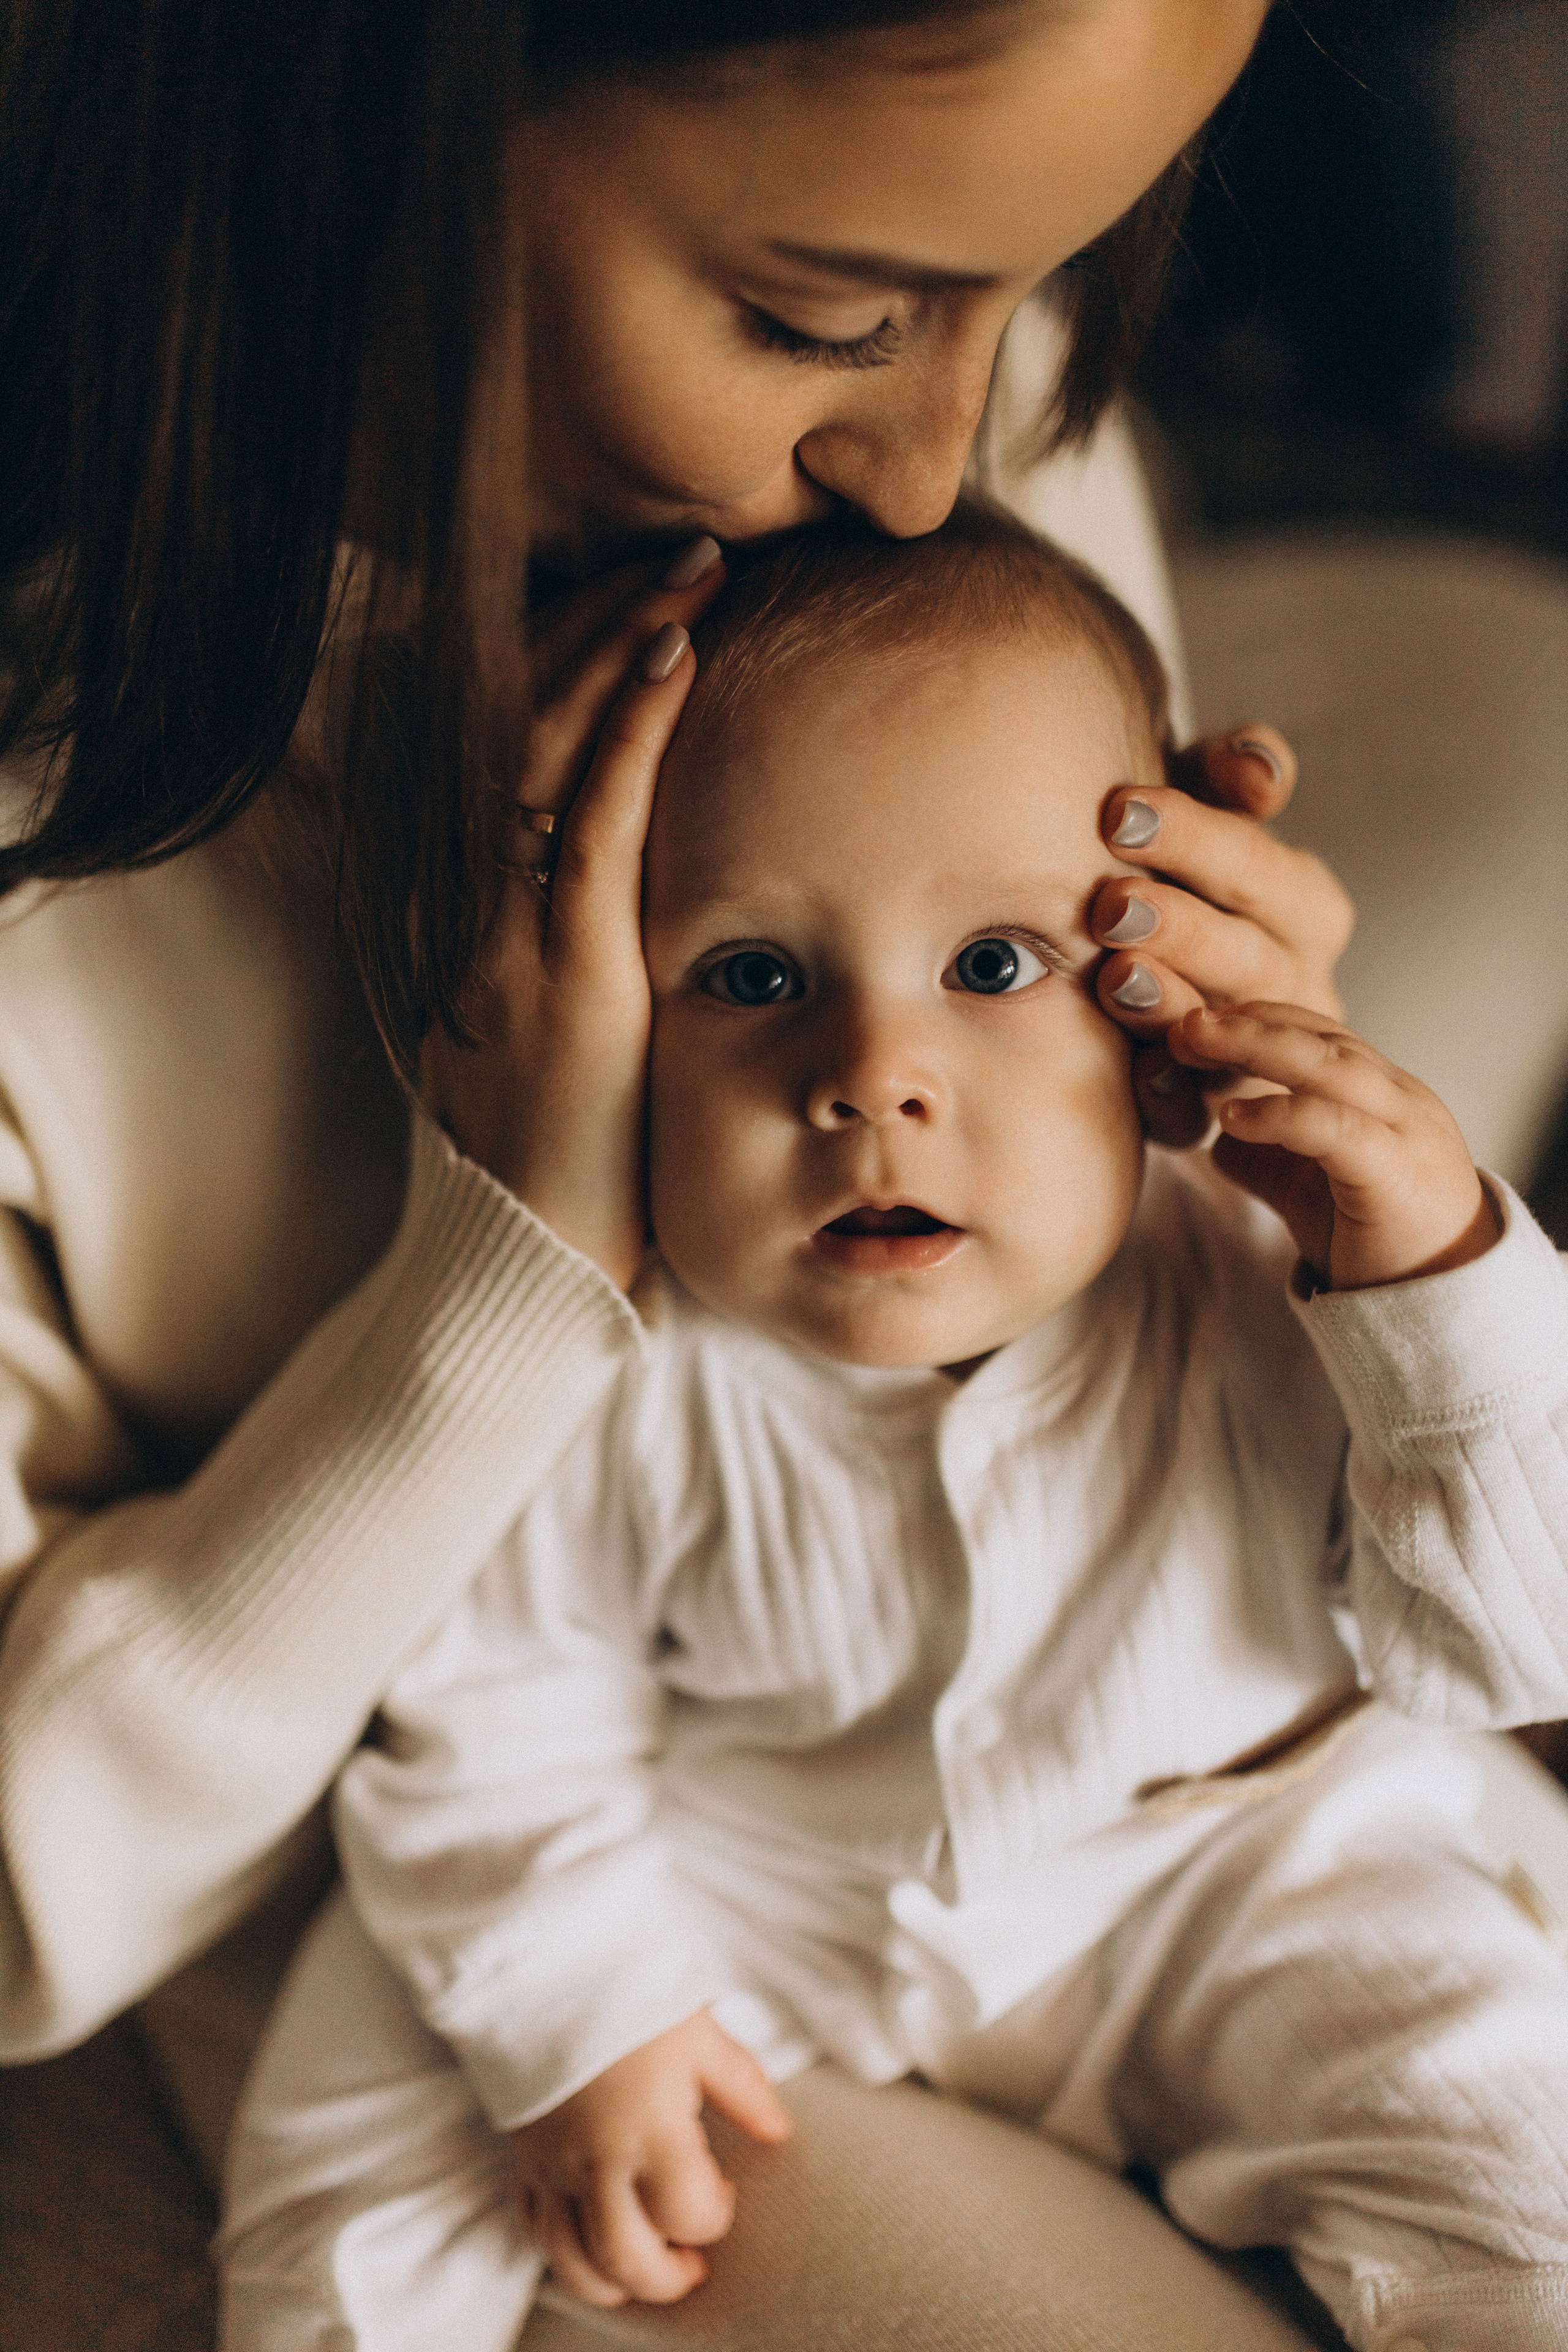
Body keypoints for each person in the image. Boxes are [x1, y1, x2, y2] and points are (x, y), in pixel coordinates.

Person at [0, 1, 1420, 2342]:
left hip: (1132, 1800)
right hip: (526, 1910)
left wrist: (1258, 1107)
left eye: (1037, 293)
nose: (940, 460)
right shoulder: (75, 882)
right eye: (830, 319)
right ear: (356, 120)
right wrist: (506, 1268)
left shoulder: (971, 459)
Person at [216, 511, 1568, 2352]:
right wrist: (582, 2013)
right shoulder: (602, 1333)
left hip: (1237, 1872)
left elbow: (1502, 1647)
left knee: (1517, 2154)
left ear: (1155, 983)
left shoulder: (1278, 1256)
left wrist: (1445, 1276)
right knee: (370, 2077)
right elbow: (498, 1705)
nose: (870, 1073)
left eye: (996, 966)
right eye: (753, 977)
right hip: (762, 1880)